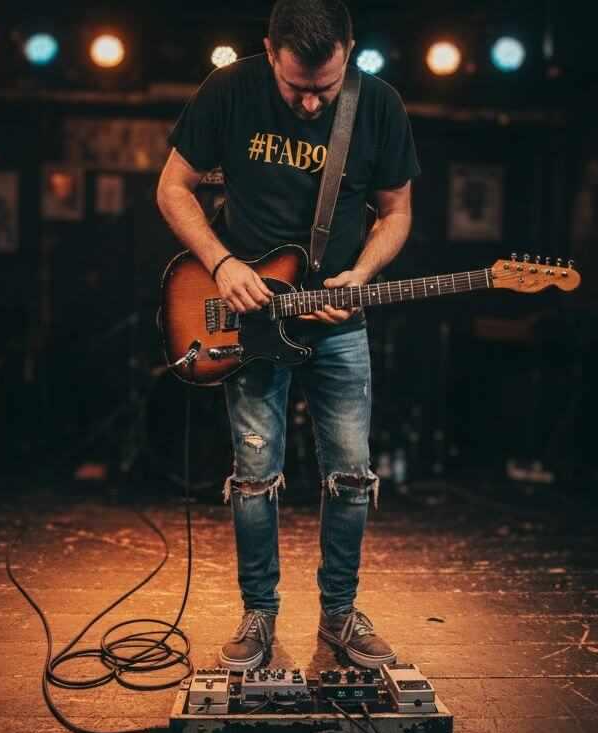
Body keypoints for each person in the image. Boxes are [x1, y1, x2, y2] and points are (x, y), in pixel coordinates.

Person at [156, 0, 419, 671]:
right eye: (295, 87)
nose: (308, 104)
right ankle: (259, 616)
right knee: (252, 476)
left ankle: (340, 614)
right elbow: (174, 188)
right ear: (269, 52)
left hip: (339, 325)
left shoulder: (379, 105)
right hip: (247, 318)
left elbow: (396, 212)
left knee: (353, 474)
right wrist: (221, 263)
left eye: (324, 89)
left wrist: (360, 272)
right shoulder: (230, 90)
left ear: (350, 52)